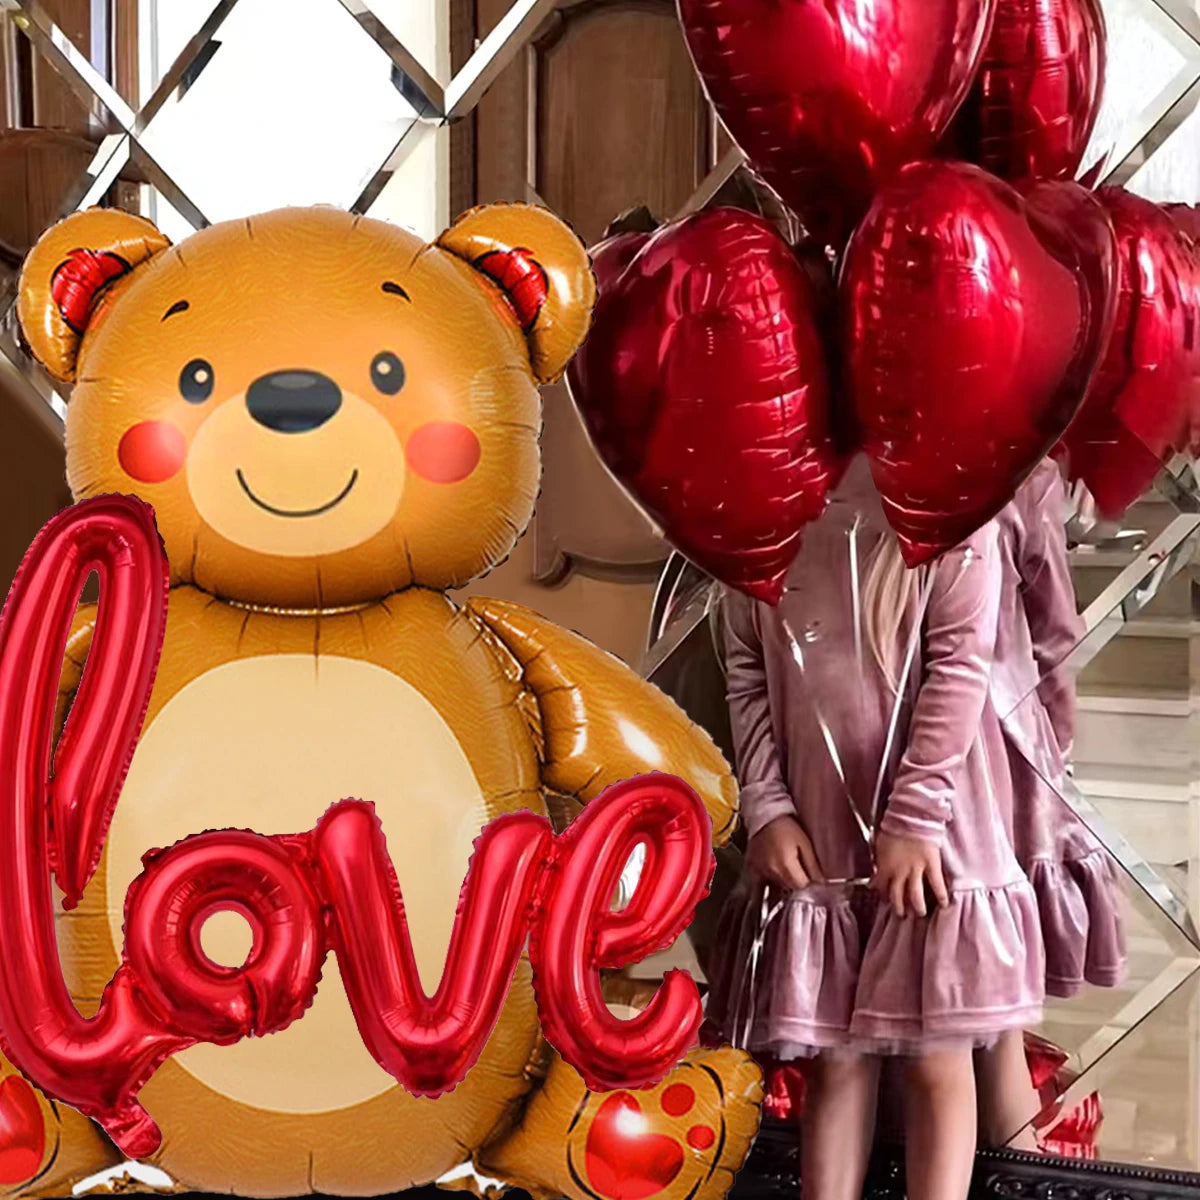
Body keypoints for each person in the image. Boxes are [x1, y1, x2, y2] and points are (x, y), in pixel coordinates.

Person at [705, 456, 1044, 1200]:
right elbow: (745, 670)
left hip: (938, 830)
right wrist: (767, 806)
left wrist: (915, 818)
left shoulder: (950, 509)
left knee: (935, 1055)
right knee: (835, 1056)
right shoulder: (761, 510)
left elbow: (961, 667)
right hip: (818, 827)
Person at [975, 459, 1126, 1150]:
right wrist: (1055, 744)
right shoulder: (1021, 471)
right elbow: (1055, 632)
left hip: (904, 738)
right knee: (990, 989)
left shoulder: (858, 462)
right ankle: (1007, 1153)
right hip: (1002, 731)